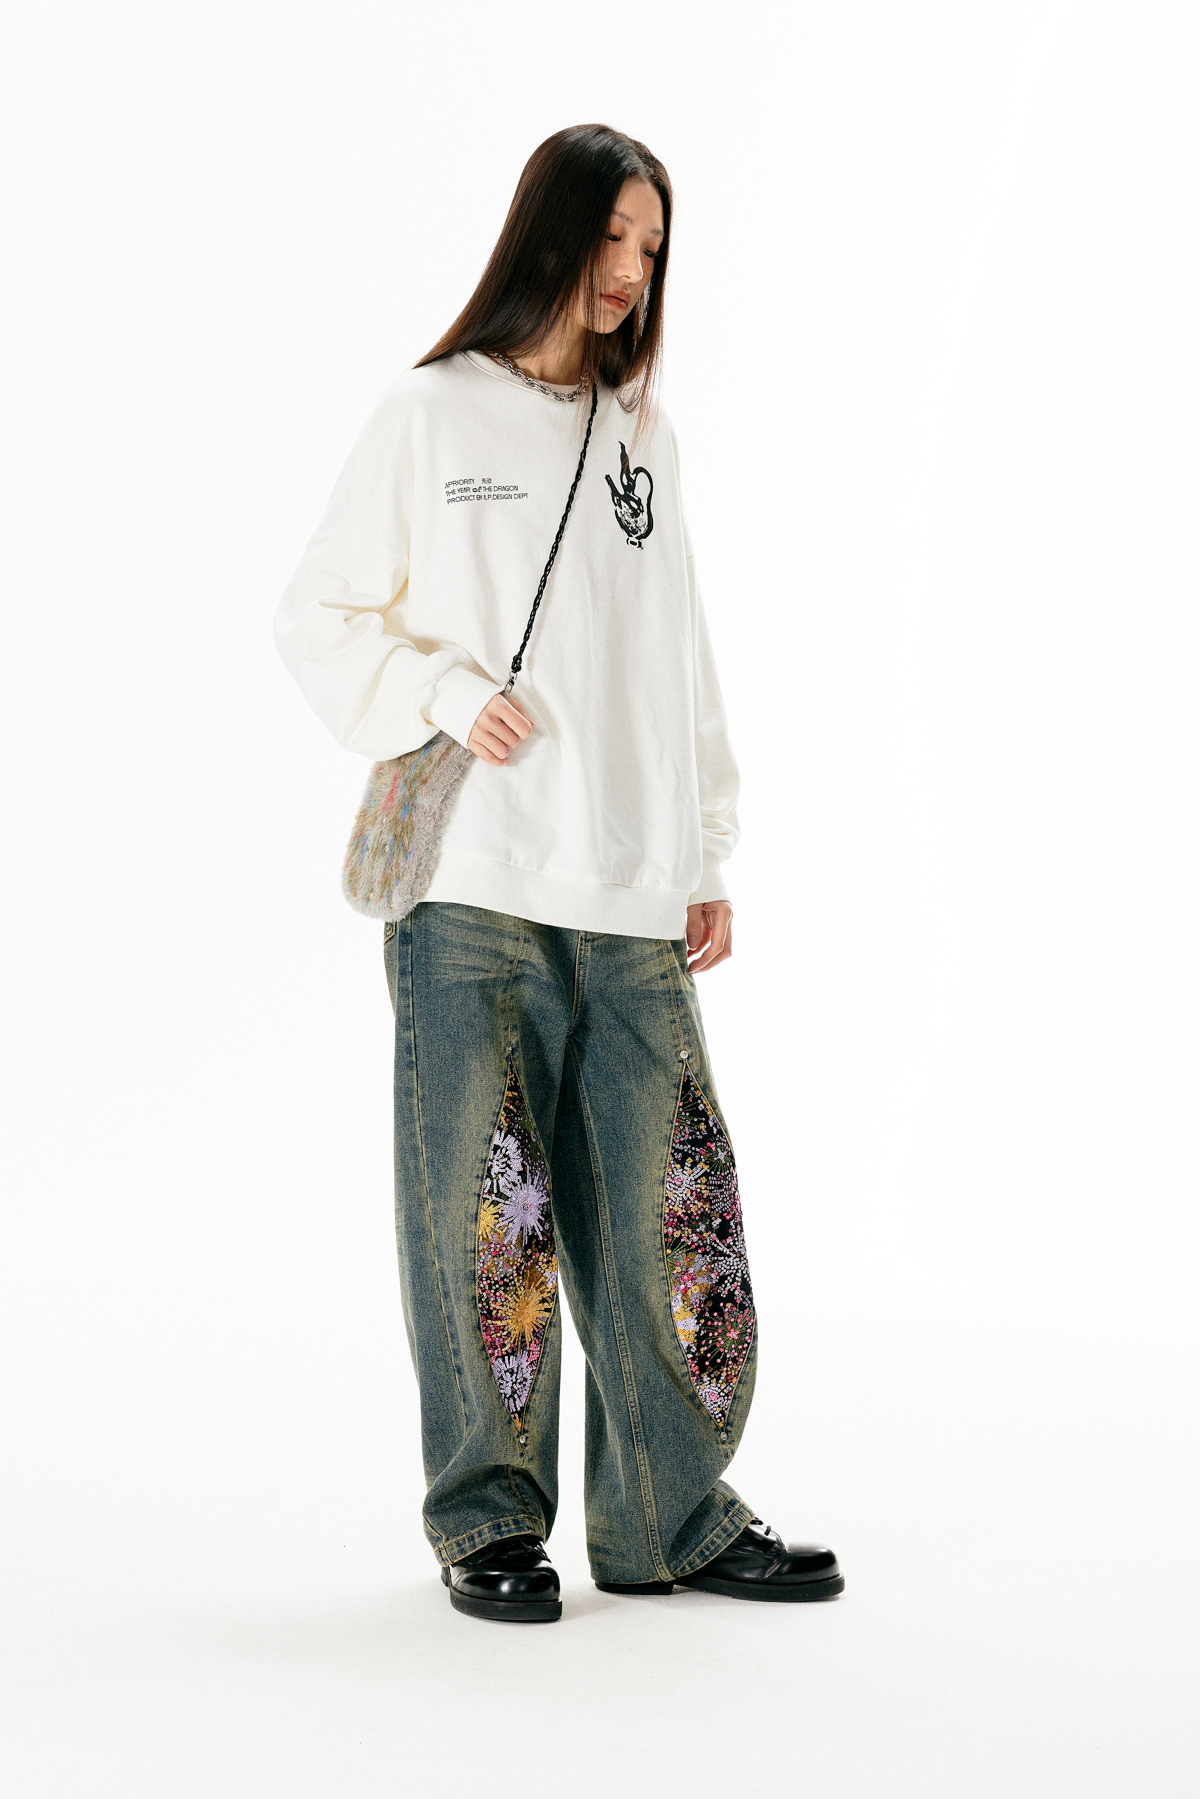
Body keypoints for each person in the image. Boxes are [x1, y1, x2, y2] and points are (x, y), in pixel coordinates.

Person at [275, 124, 843, 1622]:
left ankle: (669, 1516)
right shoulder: (429, 411)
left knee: (675, 1213)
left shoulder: (641, 430)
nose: (633, 269)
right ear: (551, 231)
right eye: (613, 235)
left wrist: (703, 845)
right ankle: (487, 1523)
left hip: (632, 892)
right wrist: (449, 693)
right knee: (489, 1223)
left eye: (652, 246)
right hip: (474, 888)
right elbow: (318, 614)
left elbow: (678, 649)